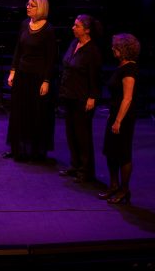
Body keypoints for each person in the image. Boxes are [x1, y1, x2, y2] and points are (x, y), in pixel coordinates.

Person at [4, 0, 57, 161]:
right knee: (19, 112)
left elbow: (51, 58)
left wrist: (46, 80)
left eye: (32, 5)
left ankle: (34, 151)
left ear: (40, 8)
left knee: (36, 113)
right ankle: (18, 149)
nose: (28, 7)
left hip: (38, 77)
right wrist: (13, 71)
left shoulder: (48, 29)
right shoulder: (25, 24)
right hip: (22, 74)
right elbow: (18, 50)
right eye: (28, 4)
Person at [58, 14, 103, 183]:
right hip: (69, 95)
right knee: (71, 133)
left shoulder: (92, 51)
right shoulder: (74, 44)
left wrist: (92, 97)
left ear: (87, 30)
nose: (73, 28)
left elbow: (95, 77)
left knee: (82, 135)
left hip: (82, 98)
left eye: (77, 25)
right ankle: (75, 165)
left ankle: (86, 170)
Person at [99, 33, 140, 204]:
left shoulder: (129, 69)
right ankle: (114, 185)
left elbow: (128, 98)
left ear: (123, 49)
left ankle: (124, 190)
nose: (112, 49)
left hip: (124, 118)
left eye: (115, 47)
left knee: (122, 153)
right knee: (111, 151)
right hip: (115, 115)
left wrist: (118, 121)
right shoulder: (121, 66)